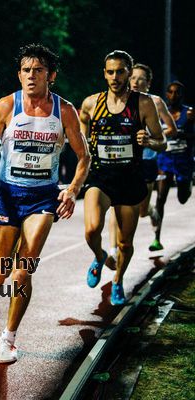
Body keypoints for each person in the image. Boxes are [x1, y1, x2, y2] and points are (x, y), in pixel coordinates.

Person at [0, 44, 90, 363]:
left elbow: (84, 156)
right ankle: (9, 252)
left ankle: (8, 338)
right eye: (26, 70)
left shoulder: (64, 111)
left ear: (50, 76)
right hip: (8, 195)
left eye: (38, 70)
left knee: (23, 272)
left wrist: (73, 189)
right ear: (19, 75)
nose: (31, 76)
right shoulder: (8, 106)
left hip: (42, 197)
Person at [80, 50, 166, 306]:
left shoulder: (144, 103)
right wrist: (83, 143)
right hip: (101, 177)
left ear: (129, 72)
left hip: (130, 178)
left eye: (120, 71)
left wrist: (150, 140)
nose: (115, 77)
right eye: (110, 72)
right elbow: (83, 124)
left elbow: (161, 142)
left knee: (125, 243)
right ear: (104, 73)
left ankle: (117, 280)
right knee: (91, 229)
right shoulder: (91, 103)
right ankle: (99, 256)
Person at [106, 64, 177, 267]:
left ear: (149, 82)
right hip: (123, 162)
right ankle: (113, 252)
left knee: (141, 211)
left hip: (146, 161)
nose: (135, 82)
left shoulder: (155, 102)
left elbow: (170, 129)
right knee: (115, 205)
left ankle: (152, 212)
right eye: (133, 77)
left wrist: (152, 134)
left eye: (141, 79)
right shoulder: (119, 100)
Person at [150, 81, 194, 251]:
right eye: (170, 92)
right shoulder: (161, 113)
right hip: (165, 159)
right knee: (160, 198)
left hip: (184, 160)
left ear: (182, 95)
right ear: (166, 94)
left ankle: (187, 184)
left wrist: (186, 132)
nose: (173, 95)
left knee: (183, 198)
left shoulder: (189, 113)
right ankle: (156, 238)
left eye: (177, 93)